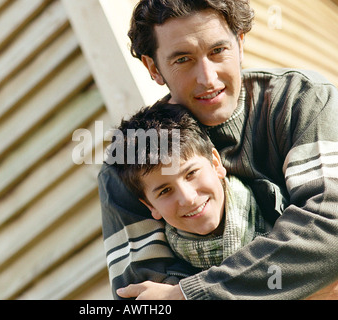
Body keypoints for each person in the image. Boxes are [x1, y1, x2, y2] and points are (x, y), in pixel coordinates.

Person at [99, 0, 338, 300]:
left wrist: (190, 293)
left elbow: (329, 228)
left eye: (217, 51)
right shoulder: (130, 164)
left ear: (239, 43)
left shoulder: (302, 101)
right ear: (153, 68)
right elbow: (144, 299)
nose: (208, 78)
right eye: (183, 59)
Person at [108, 101, 276, 274]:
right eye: (165, 191)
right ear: (150, 206)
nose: (188, 197)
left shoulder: (280, 208)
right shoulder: (168, 276)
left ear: (216, 164)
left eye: (191, 173)